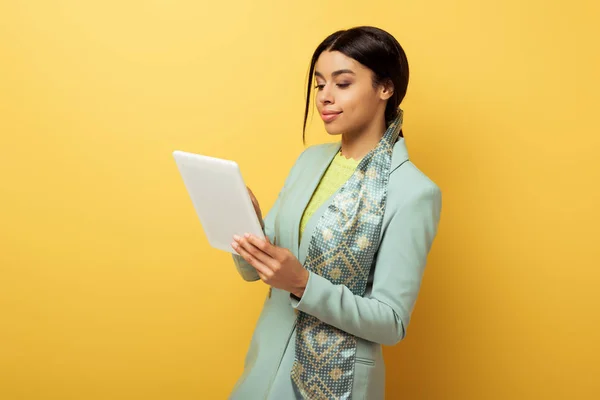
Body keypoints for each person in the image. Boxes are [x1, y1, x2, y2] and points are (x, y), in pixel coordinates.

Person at [229, 26, 442, 400]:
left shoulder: (413, 192)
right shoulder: (309, 162)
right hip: (264, 368)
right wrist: (244, 225)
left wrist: (302, 283)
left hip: (333, 385)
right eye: (319, 84)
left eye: (342, 84)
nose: (325, 97)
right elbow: (257, 271)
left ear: (385, 89)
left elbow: (391, 323)